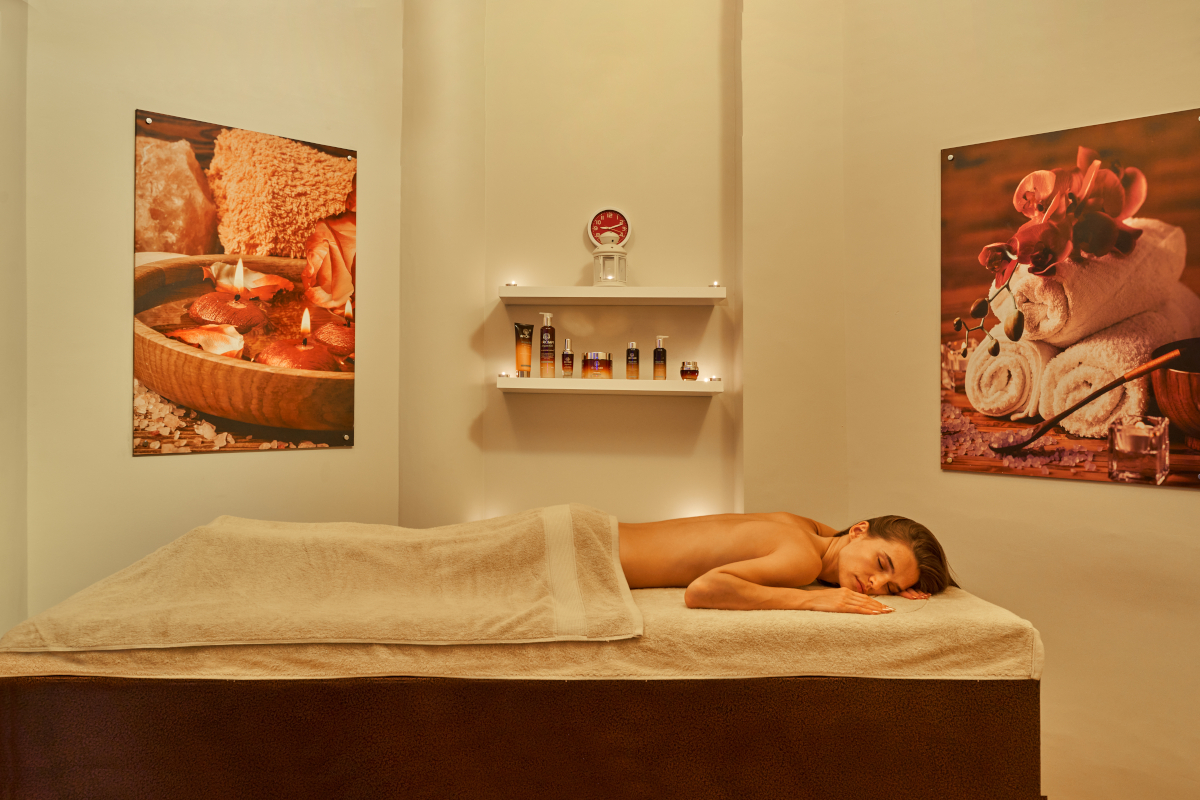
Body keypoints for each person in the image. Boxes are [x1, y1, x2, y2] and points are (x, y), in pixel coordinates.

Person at [617, 512, 956, 615]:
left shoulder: (803, 528)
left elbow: (842, 538)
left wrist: (905, 582)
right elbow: (703, 590)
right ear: (858, 530)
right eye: (881, 564)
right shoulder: (804, 561)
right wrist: (813, 598)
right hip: (590, 553)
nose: (876, 585)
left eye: (890, 587)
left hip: (597, 531)